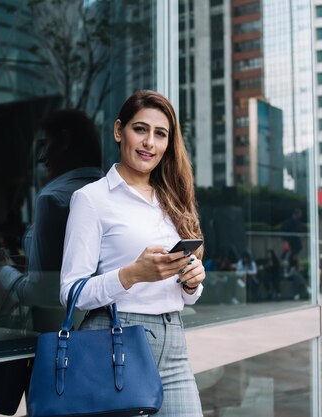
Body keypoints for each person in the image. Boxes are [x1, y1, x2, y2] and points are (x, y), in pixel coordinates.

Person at [60, 90, 205, 416]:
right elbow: (70, 293)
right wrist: (133, 274)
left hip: (174, 342)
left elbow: (187, 296)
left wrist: (192, 282)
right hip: (117, 342)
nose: (149, 143)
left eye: (160, 134)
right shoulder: (92, 199)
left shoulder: (173, 201)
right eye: (140, 129)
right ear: (118, 131)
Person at [0, 109, 104, 324]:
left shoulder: (52, 200)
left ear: (64, 141)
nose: (42, 157)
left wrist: (2, 268)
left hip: (59, 335)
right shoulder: (114, 191)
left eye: (45, 144)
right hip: (105, 333)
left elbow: (40, 293)